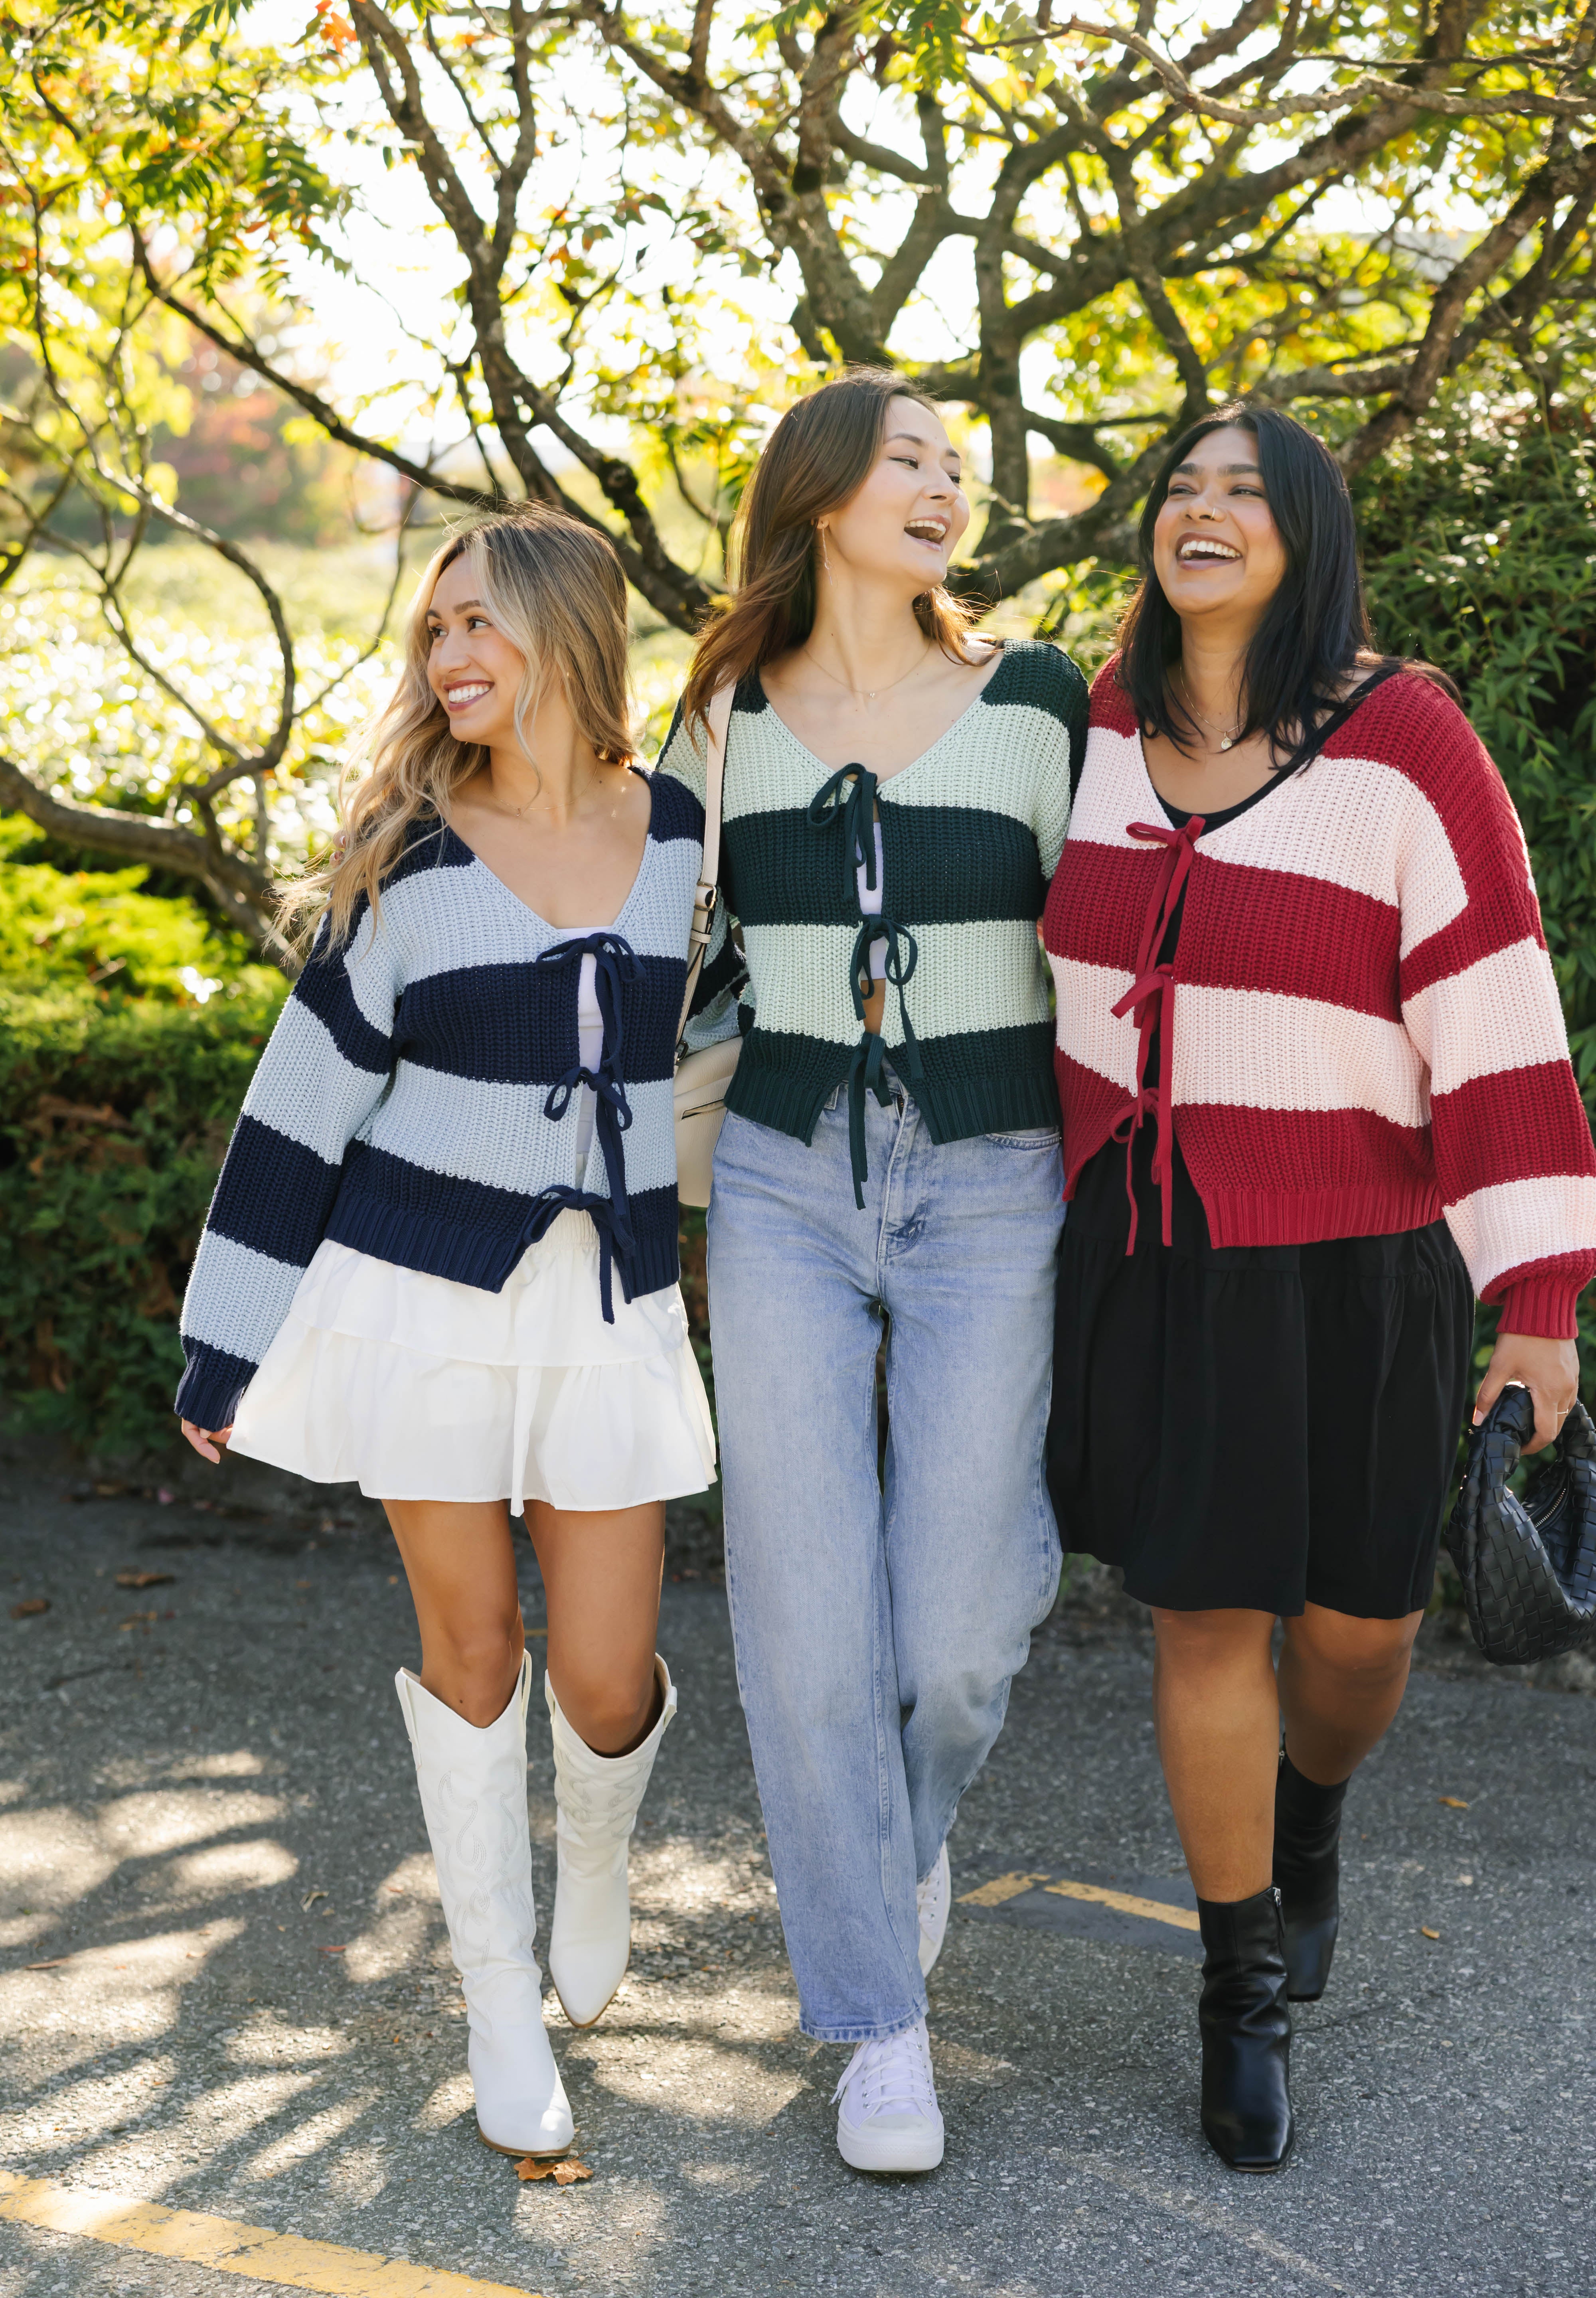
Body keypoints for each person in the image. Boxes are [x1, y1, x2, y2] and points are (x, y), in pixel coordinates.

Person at [1042, 403, 1596, 2173]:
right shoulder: (1096, 725)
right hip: (1163, 1251)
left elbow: (1497, 1012)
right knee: (1204, 1617)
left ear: (1307, 536)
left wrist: (1539, 1304)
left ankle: (1311, 1819)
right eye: (1179, 488)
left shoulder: (1404, 739)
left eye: (1245, 492)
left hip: (1362, 1263)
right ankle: (1241, 1994)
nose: (1201, 512)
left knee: (1359, 1641)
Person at [174, 505, 721, 2160]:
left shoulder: (680, 831)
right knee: (472, 1652)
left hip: (609, 1304)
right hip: (422, 1301)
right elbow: (298, 1112)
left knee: (606, 1676)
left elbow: (721, 1028)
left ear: (569, 629)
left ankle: (598, 1861)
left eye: (481, 622)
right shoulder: (406, 860)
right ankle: (496, 1995)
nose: (452, 654)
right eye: (436, 630)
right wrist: (227, 1338)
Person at [658, 367, 1087, 2173]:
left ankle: (898, 1838)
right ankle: (876, 2023)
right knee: (804, 1613)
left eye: (954, 466)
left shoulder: (1040, 701)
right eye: (907, 458)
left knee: (959, 1633)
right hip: (781, 1180)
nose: (942, 486)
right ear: (823, 493)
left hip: (994, 1180)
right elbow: (651, 941)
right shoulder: (725, 717)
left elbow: (1125, 942)